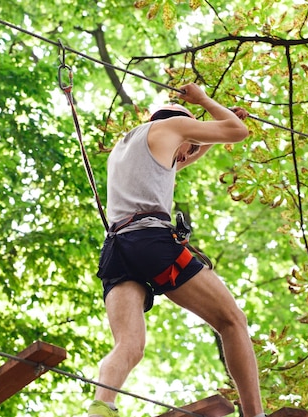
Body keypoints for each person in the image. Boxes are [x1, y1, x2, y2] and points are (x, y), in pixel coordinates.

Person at [88, 83, 265, 417]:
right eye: (191, 145)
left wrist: (212, 132)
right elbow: (238, 132)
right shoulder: (171, 126)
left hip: (117, 250)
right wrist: (205, 102)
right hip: (151, 244)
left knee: (129, 345)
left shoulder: (126, 147)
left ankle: (102, 407)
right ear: (182, 124)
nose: (187, 155)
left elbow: (182, 158)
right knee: (232, 321)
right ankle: (255, 415)